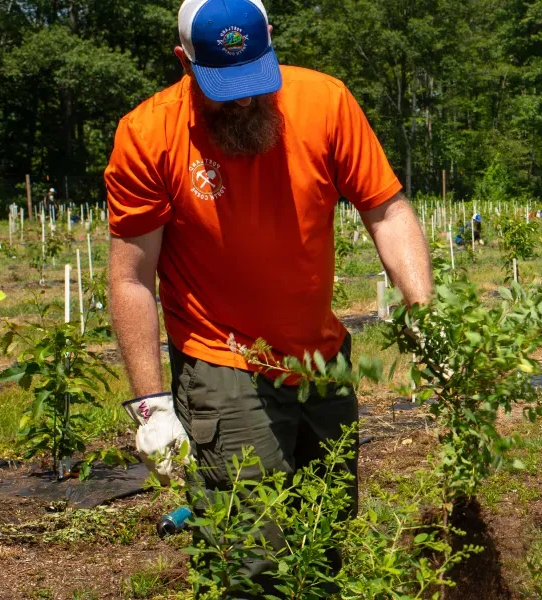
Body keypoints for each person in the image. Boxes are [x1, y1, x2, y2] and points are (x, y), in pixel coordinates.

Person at [104, 0, 431, 595]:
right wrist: (149, 404)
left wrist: (427, 314)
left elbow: (386, 209)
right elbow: (131, 277)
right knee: (252, 561)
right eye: (223, 87)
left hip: (321, 361)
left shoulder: (325, 102)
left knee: (324, 538)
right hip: (223, 361)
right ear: (184, 62)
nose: (244, 100)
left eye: (254, 80)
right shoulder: (149, 135)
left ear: (272, 43)